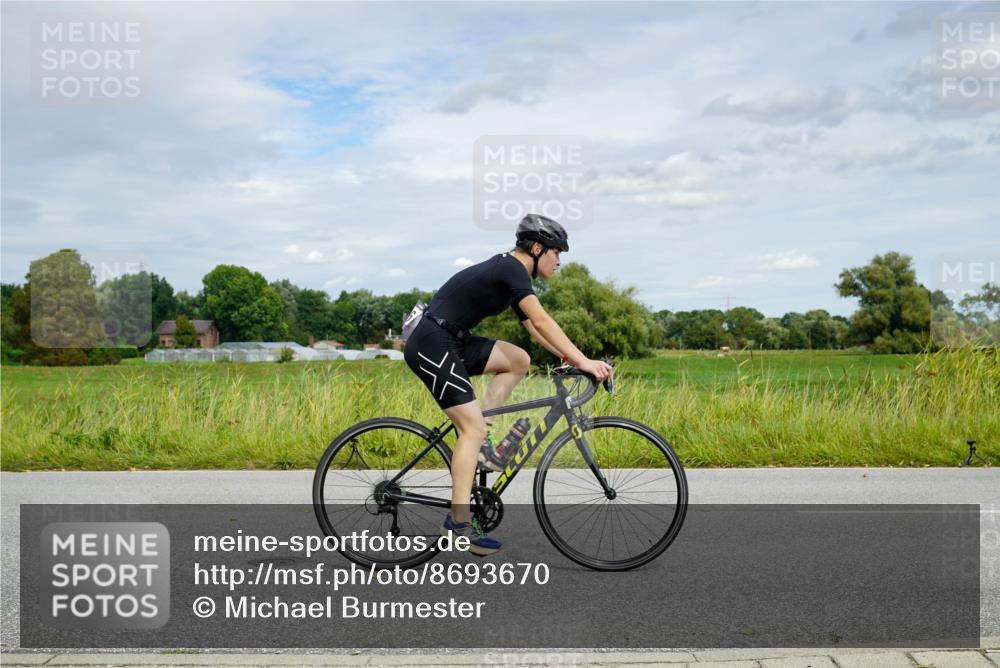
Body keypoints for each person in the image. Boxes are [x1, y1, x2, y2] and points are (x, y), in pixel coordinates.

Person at [403, 214, 613, 556]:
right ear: (537, 248)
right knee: (470, 429)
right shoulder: (511, 269)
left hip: (452, 341)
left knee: (519, 360)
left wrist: (570, 358)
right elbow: (542, 320)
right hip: (432, 343)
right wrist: (583, 361)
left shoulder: (513, 274)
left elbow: (534, 328)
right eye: (557, 253)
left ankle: (482, 438)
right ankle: (458, 523)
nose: (559, 261)